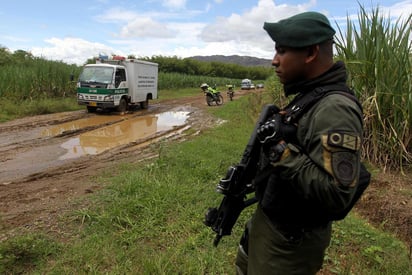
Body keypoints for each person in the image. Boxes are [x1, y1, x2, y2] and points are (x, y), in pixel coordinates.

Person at [234, 11, 364, 274]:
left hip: (289, 244)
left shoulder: (335, 108)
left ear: (310, 53)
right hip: (273, 224)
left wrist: (281, 152)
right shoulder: (310, 96)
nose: (274, 61)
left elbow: (338, 194)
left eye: (282, 51)